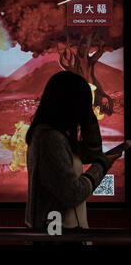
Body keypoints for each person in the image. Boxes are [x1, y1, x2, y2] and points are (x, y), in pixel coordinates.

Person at [25, 71, 122, 244]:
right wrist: (103, 164)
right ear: (70, 104)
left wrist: (89, 118)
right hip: (59, 236)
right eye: (84, 103)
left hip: (65, 233)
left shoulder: (55, 135)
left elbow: (92, 154)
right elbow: (73, 193)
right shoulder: (50, 139)